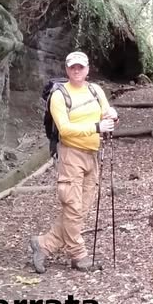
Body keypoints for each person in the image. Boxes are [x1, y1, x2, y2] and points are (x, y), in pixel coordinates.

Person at [30, 51, 118, 272]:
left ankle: (43, 245)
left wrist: (112, 116)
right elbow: (65, 129)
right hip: (71, 155)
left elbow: (106, 113)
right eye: (73, 67)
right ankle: (78, 255)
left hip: (93, 154)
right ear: (67, 70)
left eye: (81, 67)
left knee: (81, 209)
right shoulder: (59, 96)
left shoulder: (95, 90)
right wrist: (97, 128)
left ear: (88, 69)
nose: (77, 71)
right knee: (73, 206)